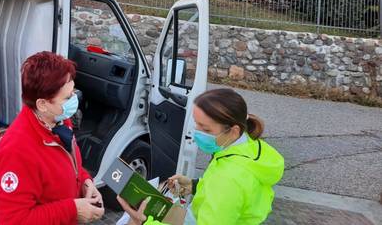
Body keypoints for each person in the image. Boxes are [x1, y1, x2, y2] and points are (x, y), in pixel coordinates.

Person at [118, 88, 284, 225]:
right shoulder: (249, 146)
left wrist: (144, 222)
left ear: (233, 131)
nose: (196, 133)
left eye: (206, 129)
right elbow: (233, 193)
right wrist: (194, 185)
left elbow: (226, 188)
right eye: (196, 124)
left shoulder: (228, 180)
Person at [0, 51, 104, 224]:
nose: (74, 99)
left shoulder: (59, 119)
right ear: (42, 104)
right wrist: (73, 209)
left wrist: (85, 182)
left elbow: (71, 163)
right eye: (67, 97)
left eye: (73, 91)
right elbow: (13, 220)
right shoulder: (16, 150)